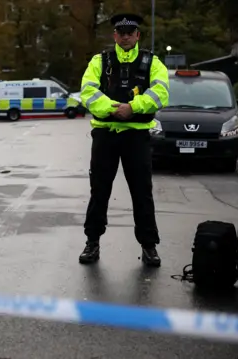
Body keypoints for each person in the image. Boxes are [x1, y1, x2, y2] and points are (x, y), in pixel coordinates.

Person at [78, 14, 169, 267]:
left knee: (142, 192)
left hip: (136, 136)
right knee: (99, 191)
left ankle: (149, 246)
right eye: (121, 31)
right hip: (106, 134)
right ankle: (92, 242)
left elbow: (161, 92)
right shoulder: (100, 60)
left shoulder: (153, 62)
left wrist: (133, 107)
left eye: (131, 31)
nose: (126, 35)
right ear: (114, 35)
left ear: (138, 35)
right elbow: (87, 90)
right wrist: (112, 108)